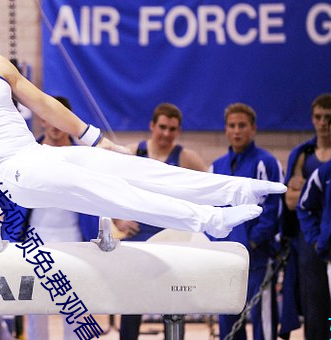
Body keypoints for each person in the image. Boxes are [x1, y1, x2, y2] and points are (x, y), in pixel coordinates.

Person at [0, 20, 285, 250]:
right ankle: (207, 220)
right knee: (105, 190)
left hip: (38, 155)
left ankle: (233, 190)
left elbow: (44, 103)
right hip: (11, 176)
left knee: (131, 168)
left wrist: (93, 138)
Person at [117, 102, 207, 340]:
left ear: (178, 131)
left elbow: (210, 191)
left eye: (172, 129)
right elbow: (106, 189)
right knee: (131, 302)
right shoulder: (132, 152)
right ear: (152, 126)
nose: (167, 134)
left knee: (174, 300)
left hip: (172, 239)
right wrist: (118, 220)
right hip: (138, 235)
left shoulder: (187, 158)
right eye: (163, 127)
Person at [25, 96, 98, 340]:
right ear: (42, 120)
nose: (55, 126)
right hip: (35, 239)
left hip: (75, 239)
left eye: (60, 120)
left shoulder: (83, 159)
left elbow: (98, 198)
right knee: (36, 309)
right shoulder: (28, 153)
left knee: (77, 310)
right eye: (50, 119)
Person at [208, 103, 283, 340]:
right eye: (232, 126)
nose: (237, 131)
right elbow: (209, 209)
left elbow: (273, 209)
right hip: (226, 259)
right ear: (226, 130)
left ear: (253, 129)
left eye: (242, 125)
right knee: (228, 321)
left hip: (257, 257)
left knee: (263, 320)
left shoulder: (266, 163)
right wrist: (216, 243)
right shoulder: (216, 167)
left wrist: (253, 241)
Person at [281, 93, 331, 340]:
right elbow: (290, 202)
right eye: (318, 117)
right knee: (314, 304)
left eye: (328, 118)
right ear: (312, 119)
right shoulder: (303, 154)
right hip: (310, 238)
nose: (323, 123)